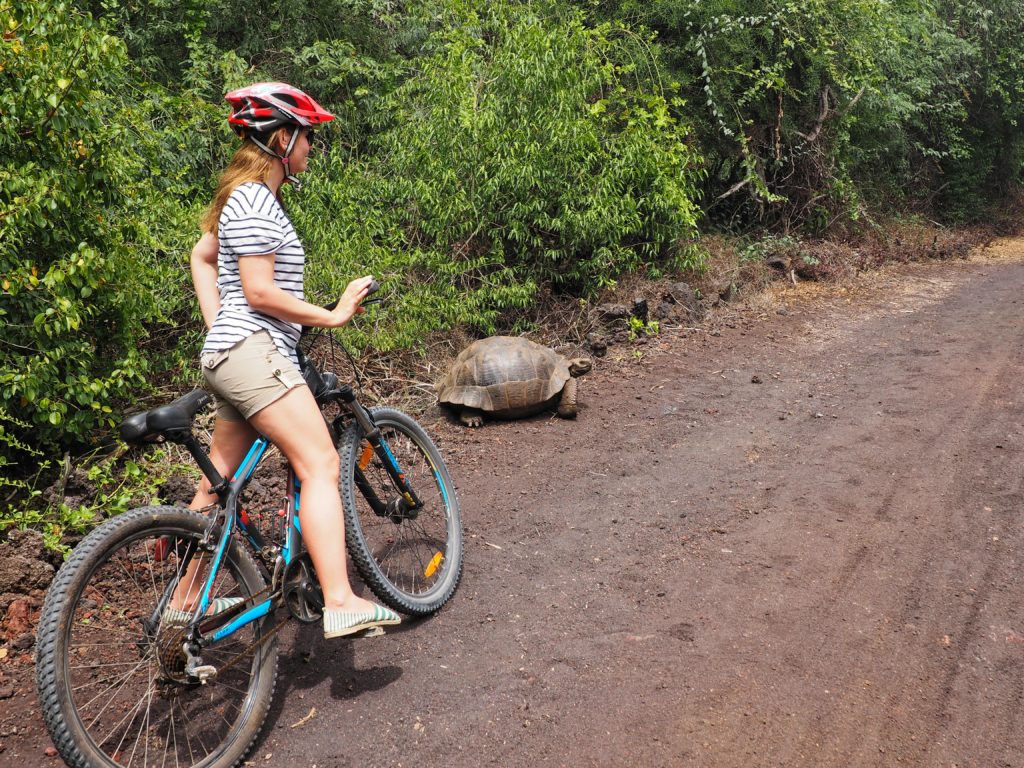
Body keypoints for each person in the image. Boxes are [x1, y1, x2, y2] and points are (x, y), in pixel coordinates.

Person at [172, 82, 400, 639]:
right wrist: (334, 312)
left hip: (235, 355)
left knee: (217, 484)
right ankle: (342, 600)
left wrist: (218, 328)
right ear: (281, 139)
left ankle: (180, 608)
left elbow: (202, 259)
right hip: (255, 353)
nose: (310, 149)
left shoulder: (246, 199)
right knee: (319, 464)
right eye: (307, 138)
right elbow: (259, 291)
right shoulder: (252, 199)